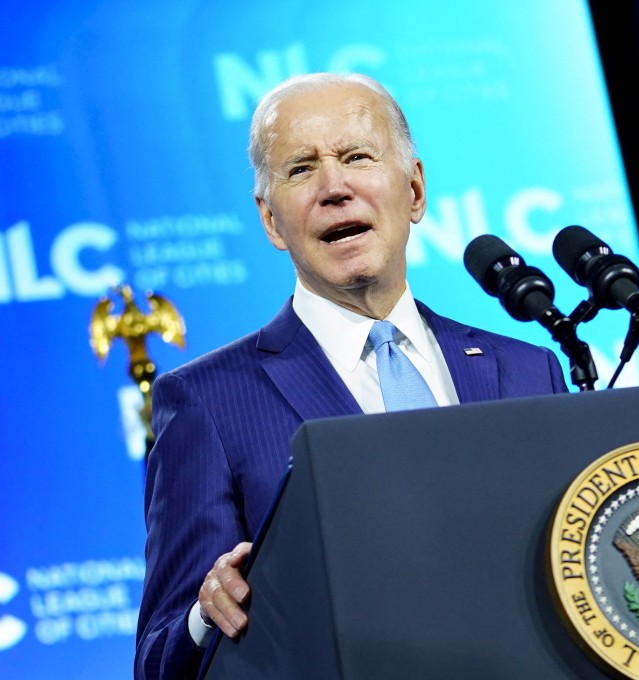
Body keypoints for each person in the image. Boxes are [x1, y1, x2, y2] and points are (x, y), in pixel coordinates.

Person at [134, 72, 568, 679]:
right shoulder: (206, 401)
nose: (334, 188)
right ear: (269, 219)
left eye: (357, 156)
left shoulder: (528, 370)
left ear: (414, 189)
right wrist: (205, 615)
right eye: (301, 169)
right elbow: (157, 660)